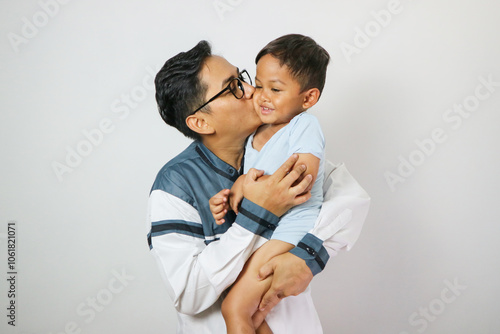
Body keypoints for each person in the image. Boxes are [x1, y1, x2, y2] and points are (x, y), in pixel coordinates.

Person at [147, 40, 370, 334]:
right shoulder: (175, 184)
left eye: (243, 78)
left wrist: (305, 258)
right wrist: (258, 212)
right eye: (233, 87)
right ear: (200, 122)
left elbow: (352, 204)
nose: (252, 91)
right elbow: (189, 294)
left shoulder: (281, 144)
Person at [211, 34, 330, 334]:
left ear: (308, 98)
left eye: (275, 89)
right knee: (252, 314)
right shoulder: (257, 133)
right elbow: (252, 183)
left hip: (290, 228)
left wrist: (247, 185)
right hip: (265, 229)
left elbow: (301, 178)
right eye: (260, 85)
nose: (262, 96)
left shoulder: (304, 126)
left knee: (233, 307)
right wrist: (233, 192)